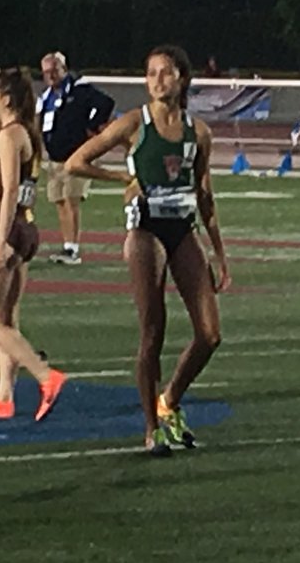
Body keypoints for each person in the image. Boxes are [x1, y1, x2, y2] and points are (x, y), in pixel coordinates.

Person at [65, 45, 229, 455]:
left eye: (166, 73)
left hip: (183, 228)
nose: (157, 80)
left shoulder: (199, 132)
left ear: (182, 79)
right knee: (152, 329)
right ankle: (151, 428)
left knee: (210, 333)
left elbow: (204, 194)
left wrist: (219, 253)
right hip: (145, 231)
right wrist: (121, 177)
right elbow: (76, 162)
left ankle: (170, 400)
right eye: (151, 73)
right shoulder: (135, 124)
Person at [0, 68, 67, 421]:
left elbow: (6, 193)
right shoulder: (28, 134)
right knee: (7, 318)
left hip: (7, 230)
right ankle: (4, 395)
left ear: (6, 99)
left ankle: (44, 375)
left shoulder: (9, 137)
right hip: (27, 227)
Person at [38, 51, 114, 265]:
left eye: (54, 70)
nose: (50, 76)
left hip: (76, 156)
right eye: (46, 72)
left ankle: (73, 249)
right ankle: (67, 245)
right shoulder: (47, 97)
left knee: (71, 201)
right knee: (60, 201)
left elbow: (106, 103)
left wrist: (91, 128)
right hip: (55, 159)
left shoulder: (80, 90)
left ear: (64, 69)